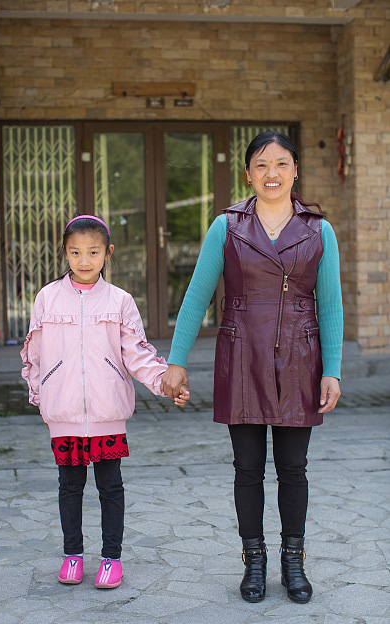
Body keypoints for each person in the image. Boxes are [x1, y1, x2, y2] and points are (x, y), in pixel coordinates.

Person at [161, 131, 342, 604]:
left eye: (282, 164)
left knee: (294, 468)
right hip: (241, 356)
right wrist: (176, 361)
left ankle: (293, 563)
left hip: (300, 358)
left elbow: (332, 305)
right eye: (261, 165)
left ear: (296, 170)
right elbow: (198, 294)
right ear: (248, 174)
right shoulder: (226, 226)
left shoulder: (320, 230)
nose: (272, 173)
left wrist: (334, 368)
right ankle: (255, 561)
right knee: (247, 469)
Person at [21, 215, 189, 590]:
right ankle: (73, 555)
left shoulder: (120, 301)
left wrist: (164, 382)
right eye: (76, 252)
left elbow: (138, 353)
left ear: (107, 253)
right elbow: (34, 354)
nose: (84, 260)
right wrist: (43, 396)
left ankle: (112, 558)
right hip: (64, 415)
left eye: (93, 252)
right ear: (64, 253)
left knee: (110, 487)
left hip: (108, 414)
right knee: (70, 486)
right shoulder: (47, 298)